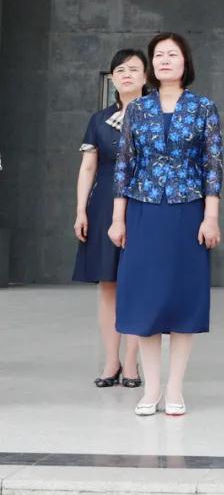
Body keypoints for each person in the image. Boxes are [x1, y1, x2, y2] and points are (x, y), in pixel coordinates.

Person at [110, 32, 223, 417]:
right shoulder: (137, 109)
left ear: (184, 62)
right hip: (143, 211)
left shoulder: (203, 107)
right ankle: (151, 388)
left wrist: (211, 216)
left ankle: (175, 388)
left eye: (172, 54)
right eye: (158, 55)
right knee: (146, 300)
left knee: (182, 300)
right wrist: (118, 218)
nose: (164, 60)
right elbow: (124, 165)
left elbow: (212, 166)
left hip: (187, 211)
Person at [73, 48, 148, 389]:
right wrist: (80, 210)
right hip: (103, 204)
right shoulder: (99, 119)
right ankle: (111, 361)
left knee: (138, 283)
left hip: (144, 202)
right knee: (108, 284)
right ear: (112, 78)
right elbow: (88, 167)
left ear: (146, 76)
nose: (127, 74)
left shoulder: (156, 114)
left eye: (133, 69)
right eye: (120, 70)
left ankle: (132, 362)